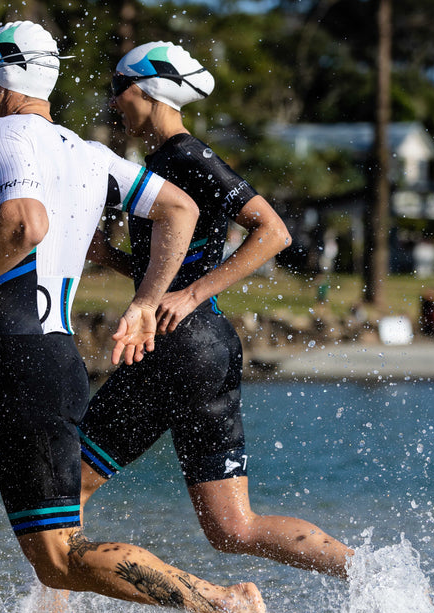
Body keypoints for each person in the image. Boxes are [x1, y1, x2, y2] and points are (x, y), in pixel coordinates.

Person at [0, 22, 280, 613]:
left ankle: (224, 604)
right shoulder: (84, 151)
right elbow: (178, 211)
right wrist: (147, 299)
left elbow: (25, 221)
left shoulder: (3, 132)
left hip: (30, 373)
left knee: (57, 560)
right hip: (31, 371)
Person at [78, 42, 354, 579]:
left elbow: (273, 232)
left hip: (178, 344)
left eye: (119, 89)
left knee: (67, 488)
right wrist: (111, 257)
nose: (114, 103)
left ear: (148, 89)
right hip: (207, 349)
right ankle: (376, 580)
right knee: (232, 529)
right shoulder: (162, 162)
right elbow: (168, 268)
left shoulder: (185, 156)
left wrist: (193, 294)